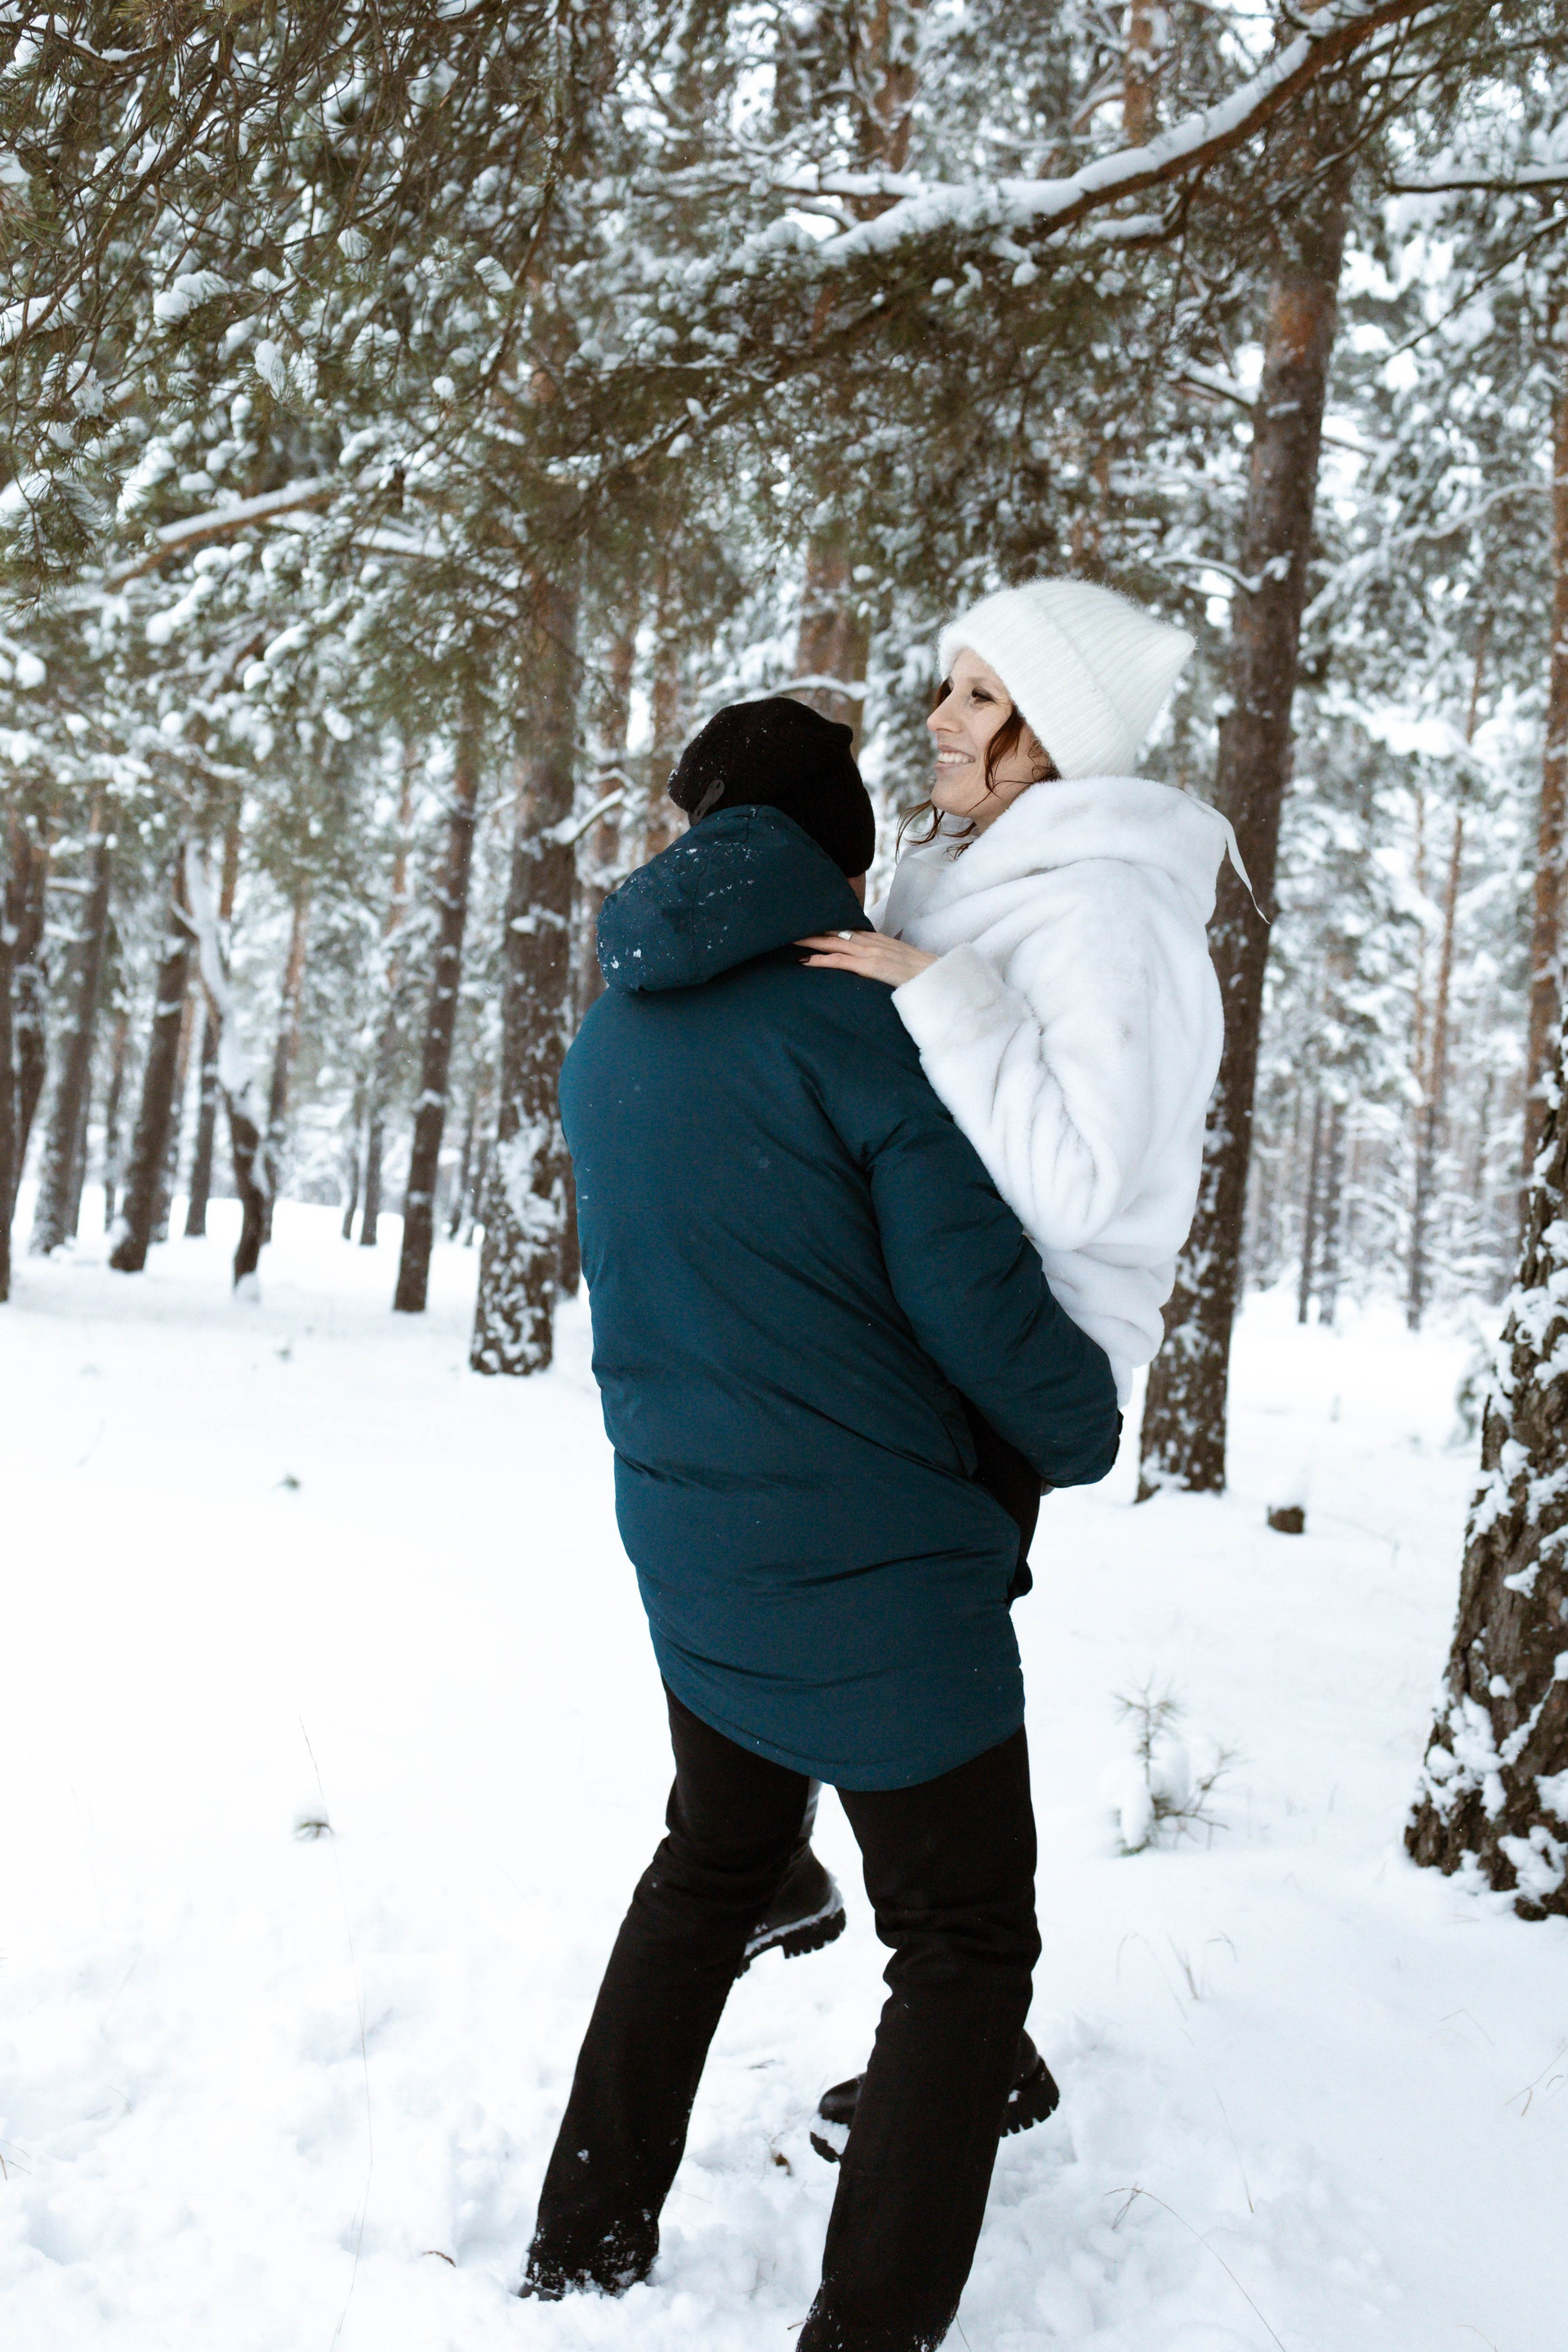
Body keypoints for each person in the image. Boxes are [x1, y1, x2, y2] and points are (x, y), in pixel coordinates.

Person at [523, 696, 1120, 2351]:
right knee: (963, 1937)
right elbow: (980, 1306)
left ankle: (582, 2241)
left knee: (713, 1862)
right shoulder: (860, 1033)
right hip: (879, 1581)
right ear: (836, 857)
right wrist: (1078, 1425)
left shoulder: (608, 1034)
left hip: (694, 1557)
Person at [800, 577, 1236, 1410]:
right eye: (948, 689)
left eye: (981, 697)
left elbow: (1075, 1192)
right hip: (945, 1318)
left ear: (1056, 731)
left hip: (1028, 1351)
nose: (939, 717)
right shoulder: (962, 878)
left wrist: (944, 995)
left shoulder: (1110, 911)